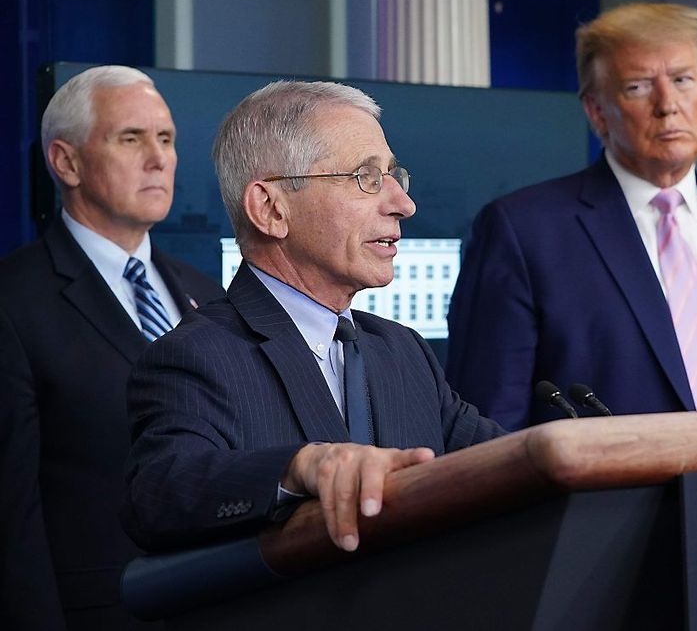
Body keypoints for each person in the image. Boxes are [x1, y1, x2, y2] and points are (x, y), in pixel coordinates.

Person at [120, 80, 505, 554]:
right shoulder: (196, 356)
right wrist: (297, 468)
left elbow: (503, 464)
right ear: (271, 209)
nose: (403, 205)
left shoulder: (403, 351)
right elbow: (160, 492)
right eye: (366, 177)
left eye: (393, 176)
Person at [445, 2, 697, 431]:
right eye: (639, 87)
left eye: (682, 80)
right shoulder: (524, 233)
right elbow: (487, 426)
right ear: (597, 111)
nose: (668, 105)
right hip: (599, 498)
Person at [0, 66, 223, 630]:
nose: (160, 158)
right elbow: (11, 519)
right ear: (65, 162)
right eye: (132, 138)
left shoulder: (206, 293)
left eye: (167, 139)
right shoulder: (13, 301)